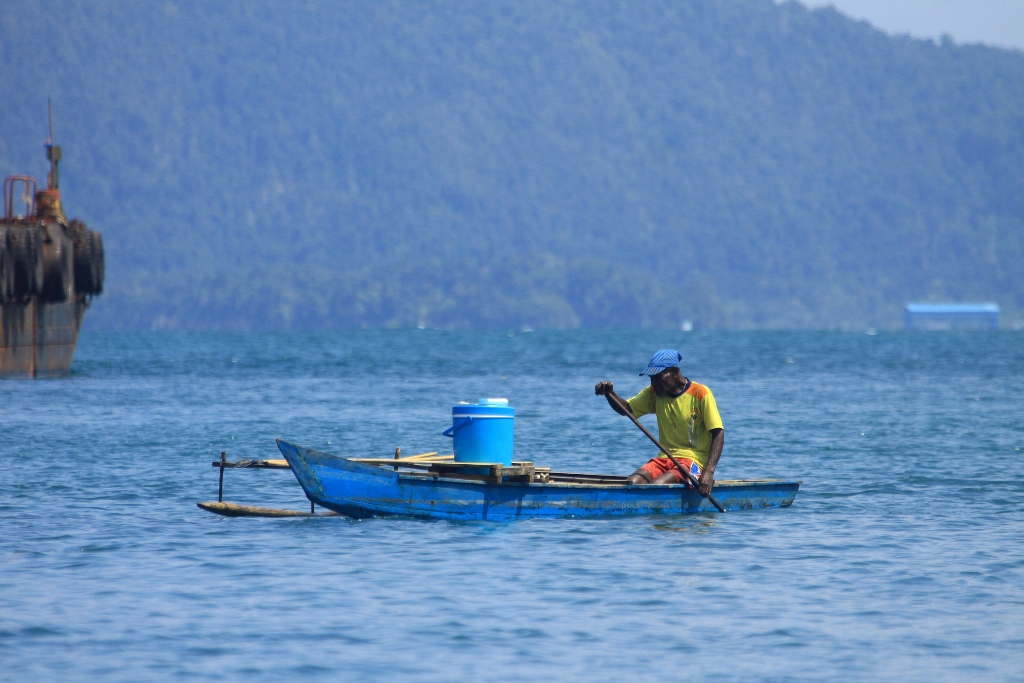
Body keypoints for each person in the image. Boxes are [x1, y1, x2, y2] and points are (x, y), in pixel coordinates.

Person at [595, 349, 724, 496]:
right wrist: (609, 394)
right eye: (651, 379)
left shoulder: (701, 393)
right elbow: (627, 410)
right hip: (664, 459)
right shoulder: (654, 393)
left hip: (693, 462)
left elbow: (718, 433)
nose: (653, 383)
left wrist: (709, 472)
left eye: (657, 378)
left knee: (656, 487)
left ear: (675, 372)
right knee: (631, 484)